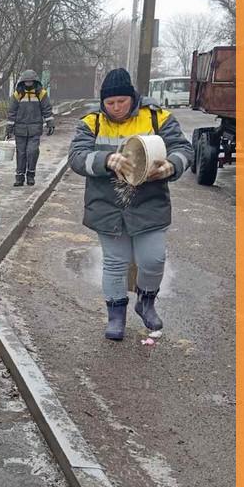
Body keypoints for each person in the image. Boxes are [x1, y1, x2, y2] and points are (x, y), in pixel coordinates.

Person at [68, 67, 193, 340]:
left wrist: (171, 166)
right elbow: (76, 157)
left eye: (121, 101)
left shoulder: (157, 117)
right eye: (110, 102)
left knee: (153, 259)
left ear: (132, 97)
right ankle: (116, 316)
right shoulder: (91, 122)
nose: (115, 108)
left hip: (148, 203)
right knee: (115, 262)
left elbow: (184, 149)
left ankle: (146, 302)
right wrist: (105, 160)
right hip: (107, 205)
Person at [6, 69, 54, 187]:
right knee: (21, 153)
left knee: (32, 152)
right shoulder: (18, 94)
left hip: (35, 128)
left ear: (34, 81)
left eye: (30, 81)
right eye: (26, 81)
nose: (28, 83)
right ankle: (19, 177)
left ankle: (31, 175)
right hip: (20, 129)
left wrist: (50, 123)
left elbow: (47, 109)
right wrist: (9, 128)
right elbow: (12, 112)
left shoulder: (41, 93)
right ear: (23, 82)